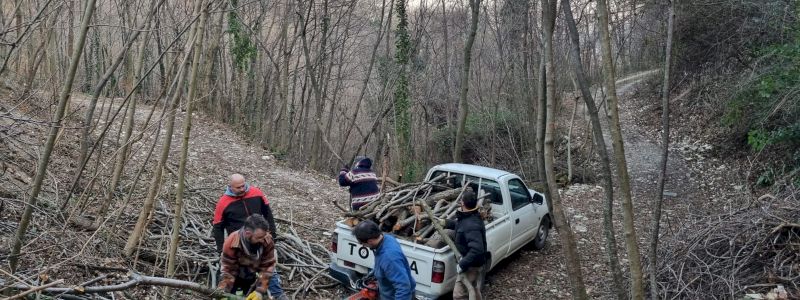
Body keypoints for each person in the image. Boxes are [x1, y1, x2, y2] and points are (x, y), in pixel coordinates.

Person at [213, 174, 287, 300]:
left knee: (272, 276)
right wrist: (222, 293)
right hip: (239, 246)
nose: (242, 189)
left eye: (243, 185)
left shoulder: (256, 193)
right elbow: (217, 226)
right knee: (236, 281)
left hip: (259, 235)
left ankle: (278, 296)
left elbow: (268, 213)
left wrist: (260, 290)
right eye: (238, 187)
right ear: (230, 186)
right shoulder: (223, 203)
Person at [442, 190, 488, 300]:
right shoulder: (471, 216)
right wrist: (445, 223)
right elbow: (461, 226)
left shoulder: (471, 224)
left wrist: (463, 264)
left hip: (471, 266)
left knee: (459, 295)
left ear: (462, 203)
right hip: (474, 263)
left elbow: (477, 249)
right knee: (473, 288)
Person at [353, 220, 416, 299]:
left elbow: (403, 288)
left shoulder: (389, 257)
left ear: (370, 241)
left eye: (362, 244)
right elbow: (382, 265)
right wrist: (374, 273)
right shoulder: (386, 238)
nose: (363, 246)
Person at [218, 214, 276, 300]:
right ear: (248, 233)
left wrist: (260, 291)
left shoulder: (266, 240)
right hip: (238, 275)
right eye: (259, 237)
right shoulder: (231, 242)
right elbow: (228, 271)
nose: (262, 240)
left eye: (264, 236)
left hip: (256, 275)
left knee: (275, 287)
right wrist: (223, 293)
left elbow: (267, 267)